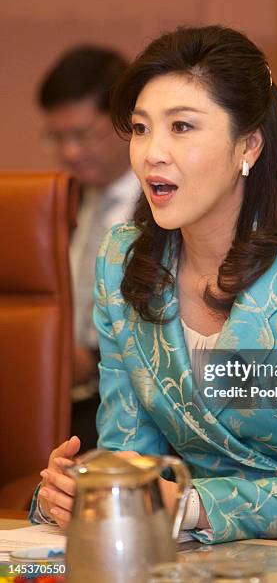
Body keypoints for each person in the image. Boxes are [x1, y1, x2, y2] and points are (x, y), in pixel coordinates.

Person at [31, 26, 277, 546]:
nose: (152, 152)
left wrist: (191, 504)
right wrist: (84, 494)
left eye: (181, 127)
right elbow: (130, 455)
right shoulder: (123, 260)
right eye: (139, 128)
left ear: (247, 145)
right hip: (210, 549)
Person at [38, 45, 140, 449]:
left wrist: (86, 360)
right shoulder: (71, 200)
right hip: (65, 397)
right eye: (57, 137)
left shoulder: (162, 207)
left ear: (123, 121)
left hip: (123, 401)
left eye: (81, 134)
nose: (69, 153)